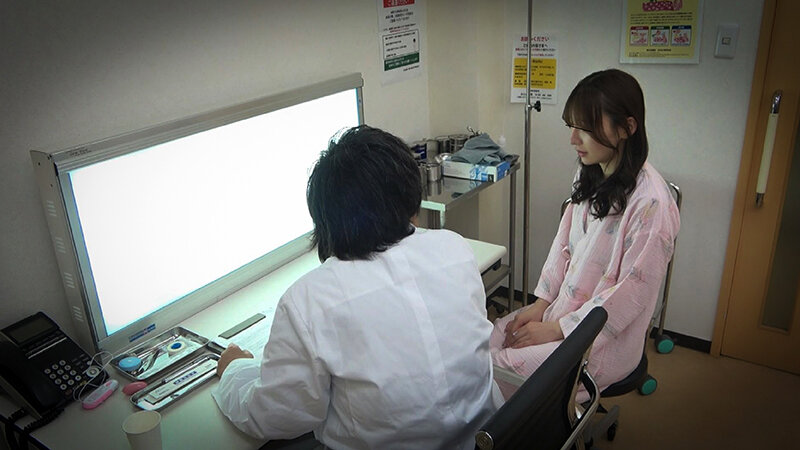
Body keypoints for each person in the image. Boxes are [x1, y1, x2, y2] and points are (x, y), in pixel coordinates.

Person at [213, 125, 499, 449]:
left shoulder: (310, 299)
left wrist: (234, 370)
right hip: (483, 439)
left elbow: (278, 416)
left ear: (327, 219)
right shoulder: (454, 248)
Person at [490, 69, 680, 399]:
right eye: (572, 126)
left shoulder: (652, 205)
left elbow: (630, 295)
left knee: (500, 368)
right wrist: (540, 305)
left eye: (586, 129)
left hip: (601, 339)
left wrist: (557, 330)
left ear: (627, 128)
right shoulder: (590, 171)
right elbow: (563, 244)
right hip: (560, 311)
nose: (573, 139)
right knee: (490, 339)